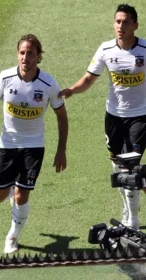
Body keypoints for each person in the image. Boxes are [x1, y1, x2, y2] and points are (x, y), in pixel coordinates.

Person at [59, 4, 145, 230]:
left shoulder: (145, 50)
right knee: (118, 168)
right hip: (114, 118)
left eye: (126, 22)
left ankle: (133, 224)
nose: (121, 26)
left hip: (140, 117)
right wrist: (71, 90)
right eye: (117, 21)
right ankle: (128, 212)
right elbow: (88, 79)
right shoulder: (106, 50)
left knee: (129, 167)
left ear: (135, 25)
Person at [0, 34, 68, 254]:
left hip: (34, 146)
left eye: (30, 53)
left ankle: (13, 236)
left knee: (22, 195)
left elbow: (61, 116)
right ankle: (12, 192)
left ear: (39, 56)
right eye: (22, 52)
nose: (25, 57)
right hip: (7, 143)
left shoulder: (48, 83)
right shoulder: (5, 78)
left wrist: (61, 150)